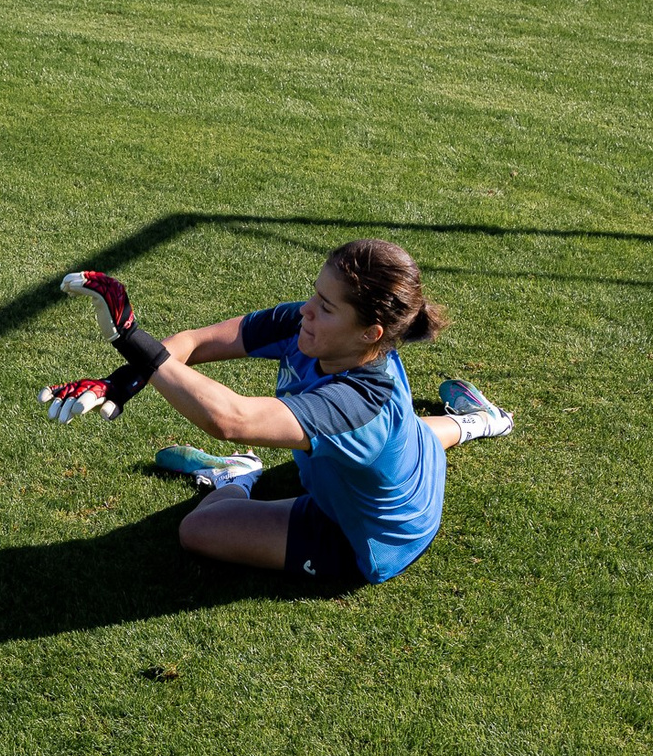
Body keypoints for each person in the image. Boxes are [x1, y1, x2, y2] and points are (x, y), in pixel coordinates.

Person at [40, 238, 512, 591]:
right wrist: (121, 381)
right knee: (408, 435)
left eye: (326, 307)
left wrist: (128, 336)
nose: (306, 311)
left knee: (198, 530)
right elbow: (195, 342)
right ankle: (481, 419)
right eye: (315, 295)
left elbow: (233, 421)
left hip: (364, 537)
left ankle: (239, 476)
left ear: (371, 333)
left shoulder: (361, 407)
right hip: (415, 456)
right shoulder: (315, 330)